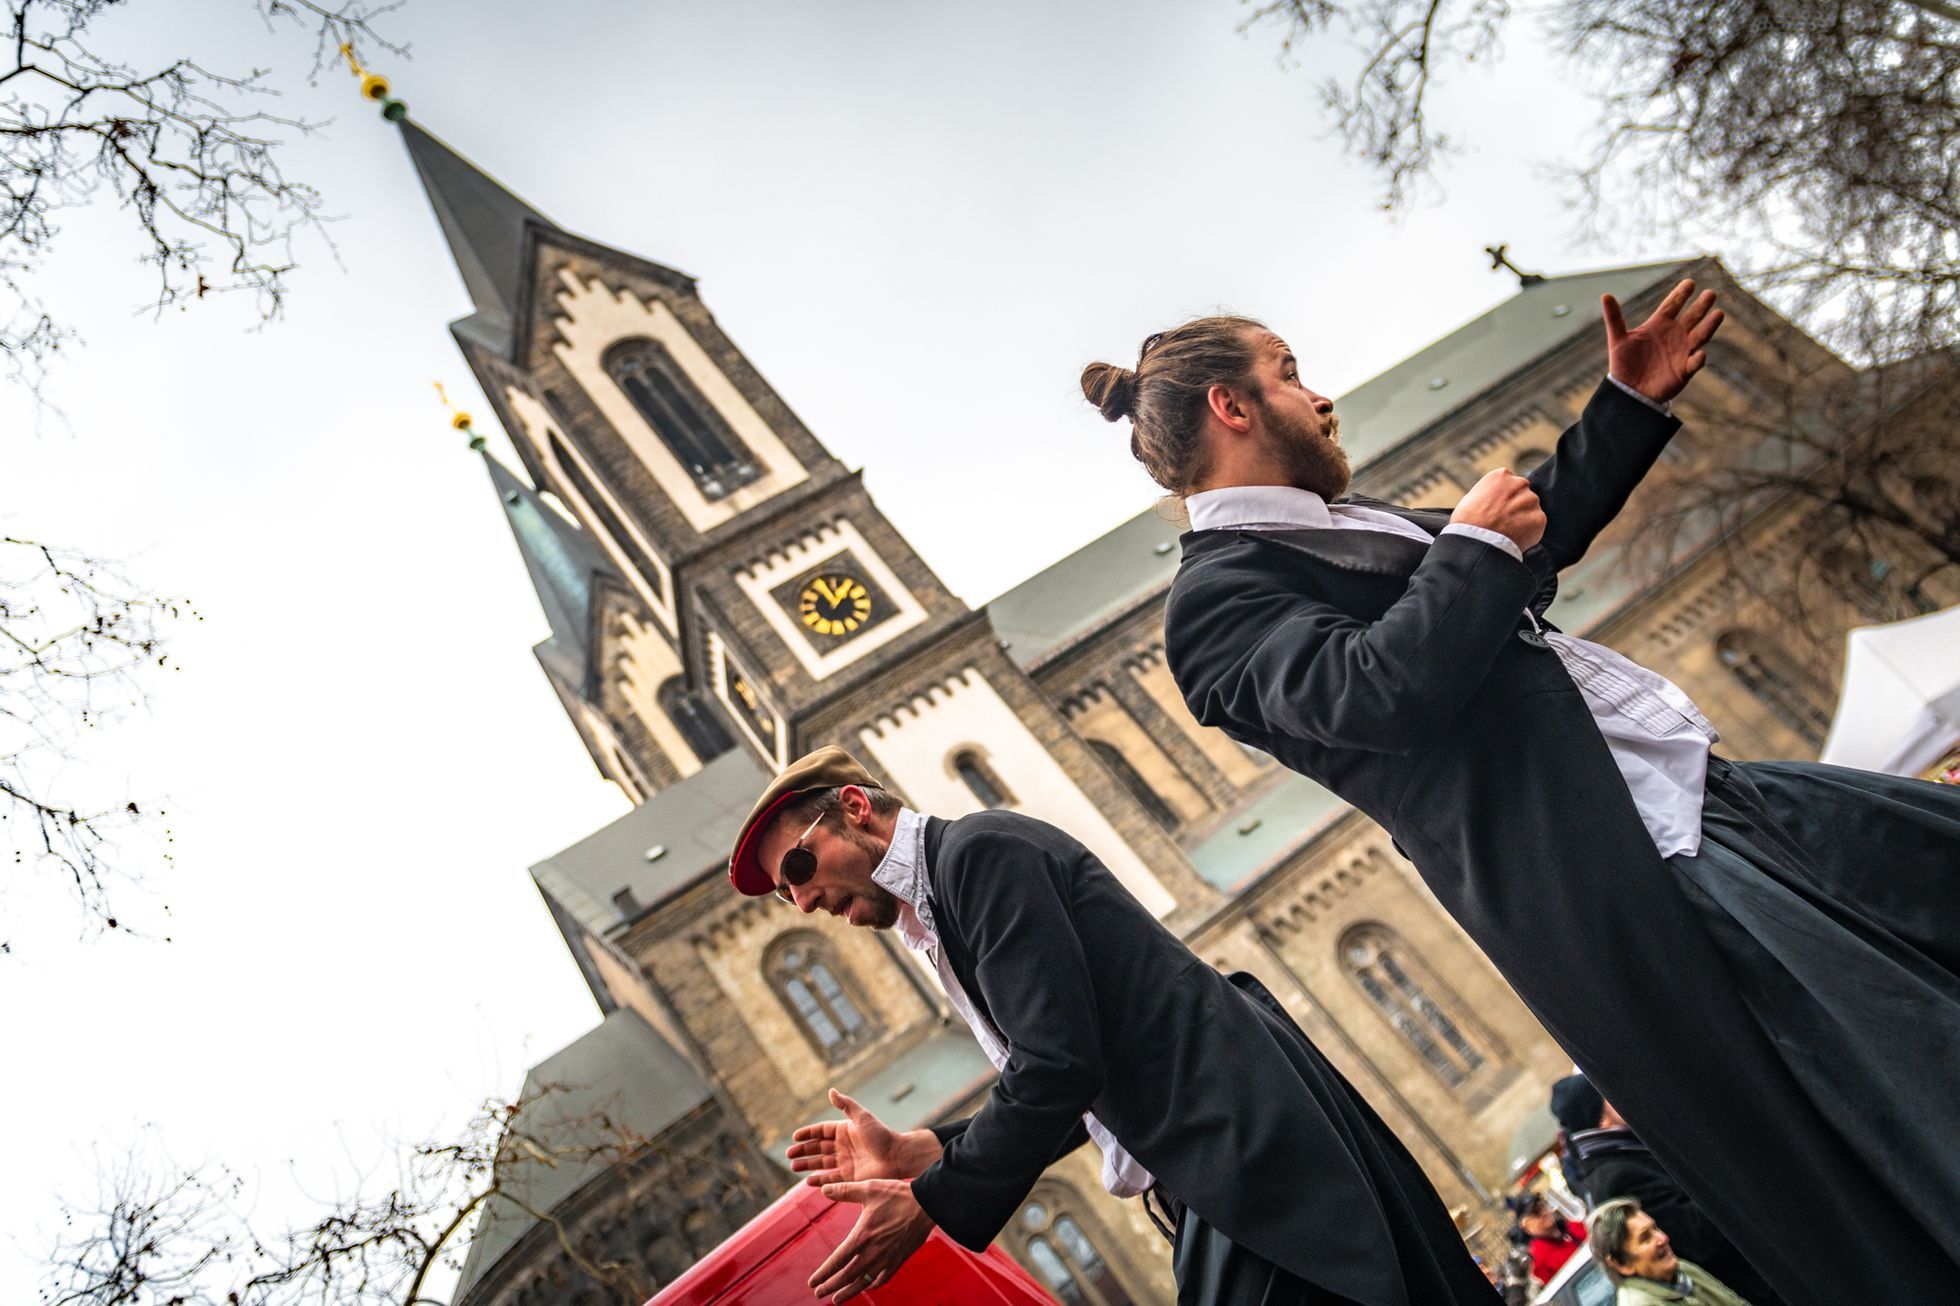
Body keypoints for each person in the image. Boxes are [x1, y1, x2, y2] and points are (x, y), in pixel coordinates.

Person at [1083, 282, 1960, 1305]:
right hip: (1638, 877)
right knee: (1907, 1076)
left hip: (1695, 801)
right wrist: (1469, 546)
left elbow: (1528, 540)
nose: (1320, 397)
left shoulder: (1332, 527)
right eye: (1288, 373)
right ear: (1232, 408)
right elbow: (1375, 691)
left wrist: (1624, 408)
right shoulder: (1214, 605)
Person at [727, 746, 1500, 1304]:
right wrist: (925, 1148)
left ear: (854, 809)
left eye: (797, 868)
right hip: (1215, 1158)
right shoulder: (947, 905)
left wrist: (932, 1198)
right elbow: (1082, 1074)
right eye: (782, 899)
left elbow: (1059, 1066)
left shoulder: (977, 859)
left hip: (1235, 1146)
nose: (803, 902)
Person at [1549, 1074, 1778, 1304]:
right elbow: (1697, 1236)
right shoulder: (1617, 1175)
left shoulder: (1624, 1151)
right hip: (1751, 1282)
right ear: (1601, 1117)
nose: (1661, 1238)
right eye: (1607, 1097)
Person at [1588, 1199, 1754, 1306]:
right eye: (1645, 1237)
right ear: (1620, 1264)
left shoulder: (1683, 1271)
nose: (1663, 1238)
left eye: (1655, 1228)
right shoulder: (1640, 1303)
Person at [1513, 1193, 1585, 1288]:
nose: (1544, 1212)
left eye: (1542, 1206)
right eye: (1536, 1212)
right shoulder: (1541, 1260)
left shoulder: (1575, 1226)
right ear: (1526, 1225)